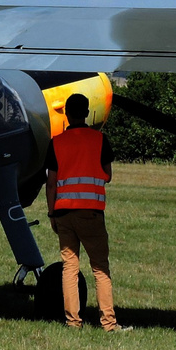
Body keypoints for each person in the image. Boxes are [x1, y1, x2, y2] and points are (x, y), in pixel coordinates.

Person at [44, 93, 126, 331]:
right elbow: (107, 175)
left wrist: (51, 213)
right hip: (91, 213)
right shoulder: (100, 140)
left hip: (63, 213)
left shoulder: (56, 142)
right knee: (100, 267)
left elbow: (51, 183)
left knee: (70, 267)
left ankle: (73, 322)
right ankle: (109, 323)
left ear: (67, 114)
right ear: (88, 112)